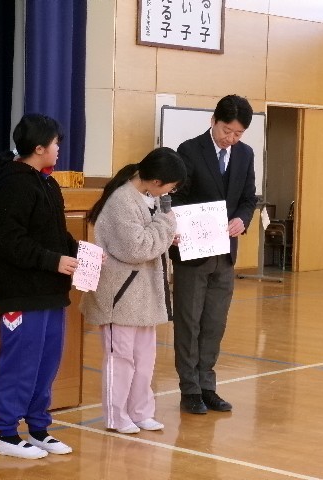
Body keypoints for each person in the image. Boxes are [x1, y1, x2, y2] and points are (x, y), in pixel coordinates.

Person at [0, 113, 79, 459]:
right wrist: (53, 261)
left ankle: (38, 428)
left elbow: (56, 235)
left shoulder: (48, 184)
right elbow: (9, 241)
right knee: (19, 362)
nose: (58, 149)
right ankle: (6, 433)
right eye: (55, 143)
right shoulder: (13, 184)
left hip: (50, 290)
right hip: (20, 291)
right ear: (39, 148)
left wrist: (82, 254)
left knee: (46, 363)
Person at [80, 147, 186, 434]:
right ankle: (116, 416)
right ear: (156, 181)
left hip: (144, 295)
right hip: (120, 296)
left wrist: (165, 236)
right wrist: (166, 226)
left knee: (144, 359)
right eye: (171, 187)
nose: (170, 193)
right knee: (121, 359)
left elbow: (151, 239)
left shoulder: (149, 198)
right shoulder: (121, 201)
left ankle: (140, 412)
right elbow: (136, 248)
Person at [170, 95, 257, 414]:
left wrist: (242, 220)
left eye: (238, 134)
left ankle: (207, 385)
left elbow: (248, 198)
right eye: (226, 131)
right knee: (189, 322)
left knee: (214, 323)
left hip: (225, 253)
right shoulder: (190, 150)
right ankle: (189, 389)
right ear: (213, 121)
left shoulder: (245, 154)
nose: (230, 138)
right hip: (193, 251)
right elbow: (175, 198)